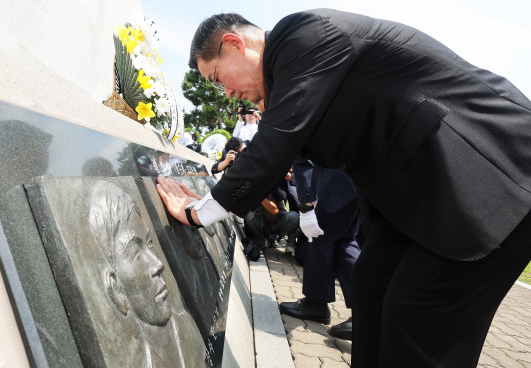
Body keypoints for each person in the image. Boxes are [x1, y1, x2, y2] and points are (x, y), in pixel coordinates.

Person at [156, 10, 531, 367]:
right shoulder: (291, 75)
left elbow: (276, 144)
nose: (227, 93)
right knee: (371, 282)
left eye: (219, 79)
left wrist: (198, 212)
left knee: (417, 310)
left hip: (489, 177)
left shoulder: (302, 34)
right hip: (418, 198)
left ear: (236, 44)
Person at [88, 180, 205, 367]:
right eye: (135, 253)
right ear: (116, 287)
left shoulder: (188, 329)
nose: (158, 264)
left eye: (150, 243)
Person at [279, 156, 360, 341]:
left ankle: (318, 305)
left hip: (335, 184)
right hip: (353, 180)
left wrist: (306, 204)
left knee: (318, 237)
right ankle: (320, 302)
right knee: (344, 243)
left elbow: (304, 157)